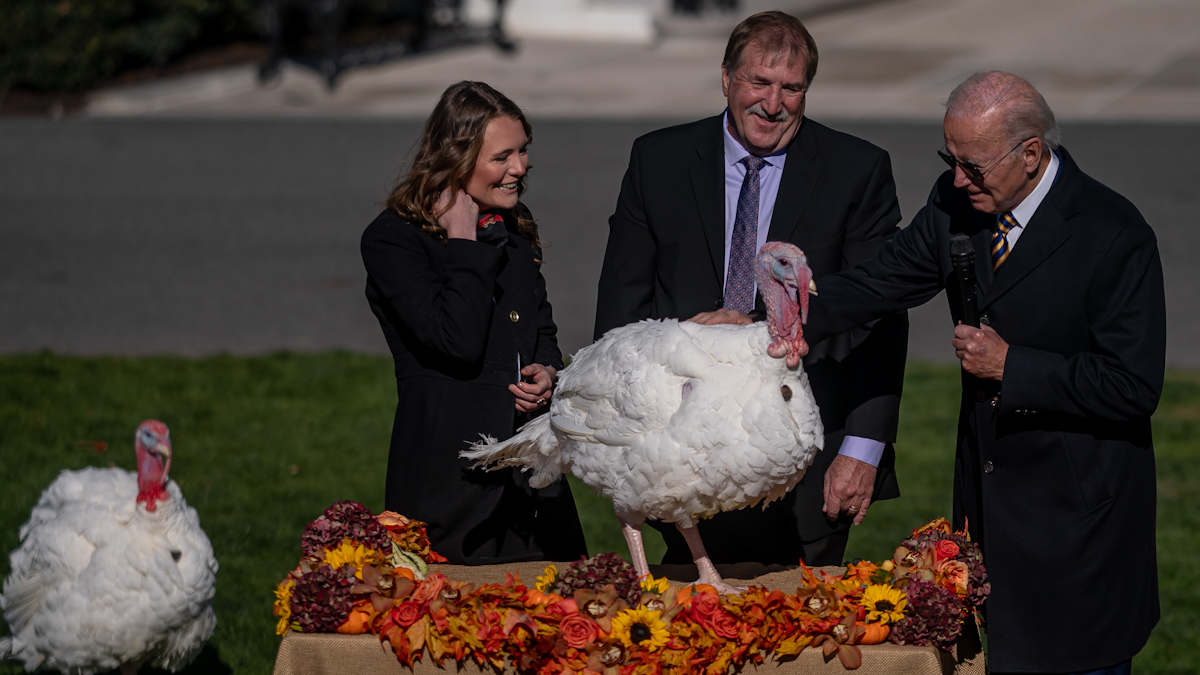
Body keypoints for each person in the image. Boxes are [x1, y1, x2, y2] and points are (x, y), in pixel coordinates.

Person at [807, 71, 1163, 674]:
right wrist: (767, 315)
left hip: (1077, 525)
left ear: (1031, 154)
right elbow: (878, 282)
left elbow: (1133, 385)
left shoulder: (1114, 234)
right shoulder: (957, 204)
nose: (956, 179)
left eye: (973, 165)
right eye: (949, 159)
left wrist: (1012, 366)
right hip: (987, 508)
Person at [594, 11, 909, 567]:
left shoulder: (856, 171)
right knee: (688, 613)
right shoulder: (658, 161)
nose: (773, 103)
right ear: (726, 78)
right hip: (681, 453)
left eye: (792, 88)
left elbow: (879, 318)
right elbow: (621, 309)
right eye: (758, 82)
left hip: (806, 462)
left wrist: (862, 451)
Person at [361, 81, 588, 566]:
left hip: (533, 484)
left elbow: (541, 329)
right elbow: (457, 340)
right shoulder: (393, 240)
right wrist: (463, 240)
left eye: (522, 150)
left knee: (567, 605)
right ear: (456, 160)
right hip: (450, 487)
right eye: (502, 157)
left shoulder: (511, 223)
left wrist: (548, 373)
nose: (520, 167)